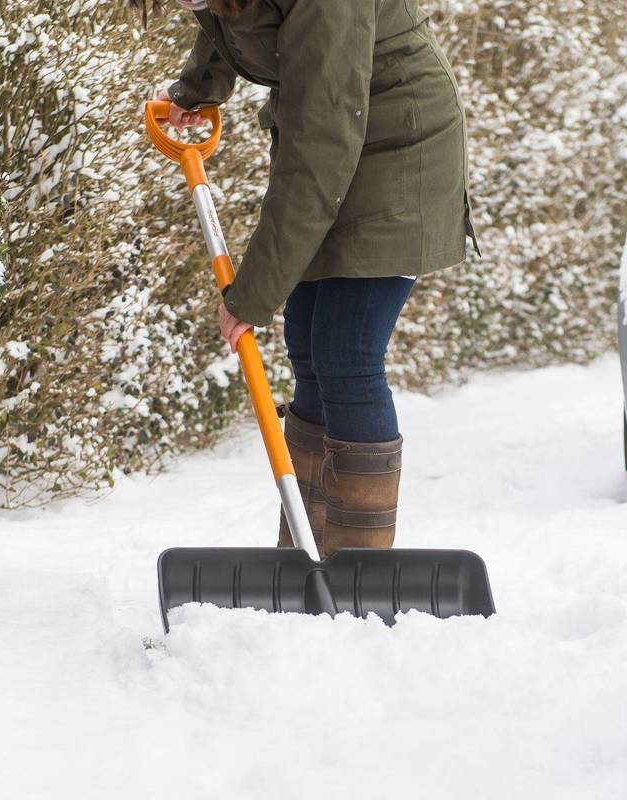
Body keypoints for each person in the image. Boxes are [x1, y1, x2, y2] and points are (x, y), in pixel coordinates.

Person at [139, 0, 478, 556]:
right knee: (308, 346)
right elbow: (233, 17)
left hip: (398, 151)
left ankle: (358, 568)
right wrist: (197, 88)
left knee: (346, 354)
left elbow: (318, 146)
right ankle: (307, 553)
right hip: (341, 141)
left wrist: (251, 295)